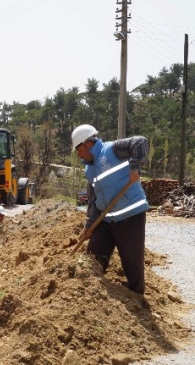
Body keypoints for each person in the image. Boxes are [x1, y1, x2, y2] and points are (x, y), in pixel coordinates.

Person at [71, 124, 150, 295]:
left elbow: (140, 142)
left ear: (88, 144)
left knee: (131, 263)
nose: (78, 154)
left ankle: (138, 302)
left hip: (130, 217)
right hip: (106, 221)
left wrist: (135, 166)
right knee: (92, 258)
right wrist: (89, 225)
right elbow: (93, 199)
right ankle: (86, 296)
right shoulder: (89, 169)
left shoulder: (112, 150)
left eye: (79, 149)